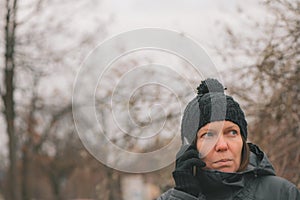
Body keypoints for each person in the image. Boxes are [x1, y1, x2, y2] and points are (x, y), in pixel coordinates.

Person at [158, 78, 300, 200]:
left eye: (232, 132)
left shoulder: (281, 193)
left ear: (243, 140)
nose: (222, 145)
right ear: (191, 148)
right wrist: (184, 196)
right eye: (208, 135)